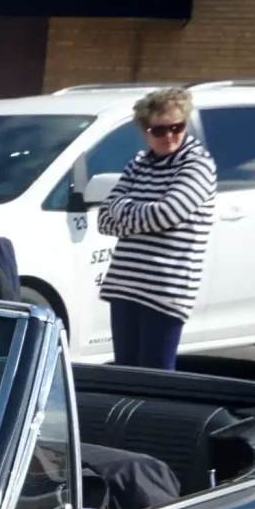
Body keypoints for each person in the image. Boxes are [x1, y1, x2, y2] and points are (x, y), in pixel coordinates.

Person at [97, 85, 216, 371]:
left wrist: (125, 211)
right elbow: (103, 219)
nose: (169, 136)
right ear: (144, 130)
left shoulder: (197, 165)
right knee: (126, 373)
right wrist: (144, 214)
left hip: (166, 290)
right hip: (125, 285)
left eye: (177, 127)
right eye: (159, 130)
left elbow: (167, 213)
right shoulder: (138, 163)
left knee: (157, 377)